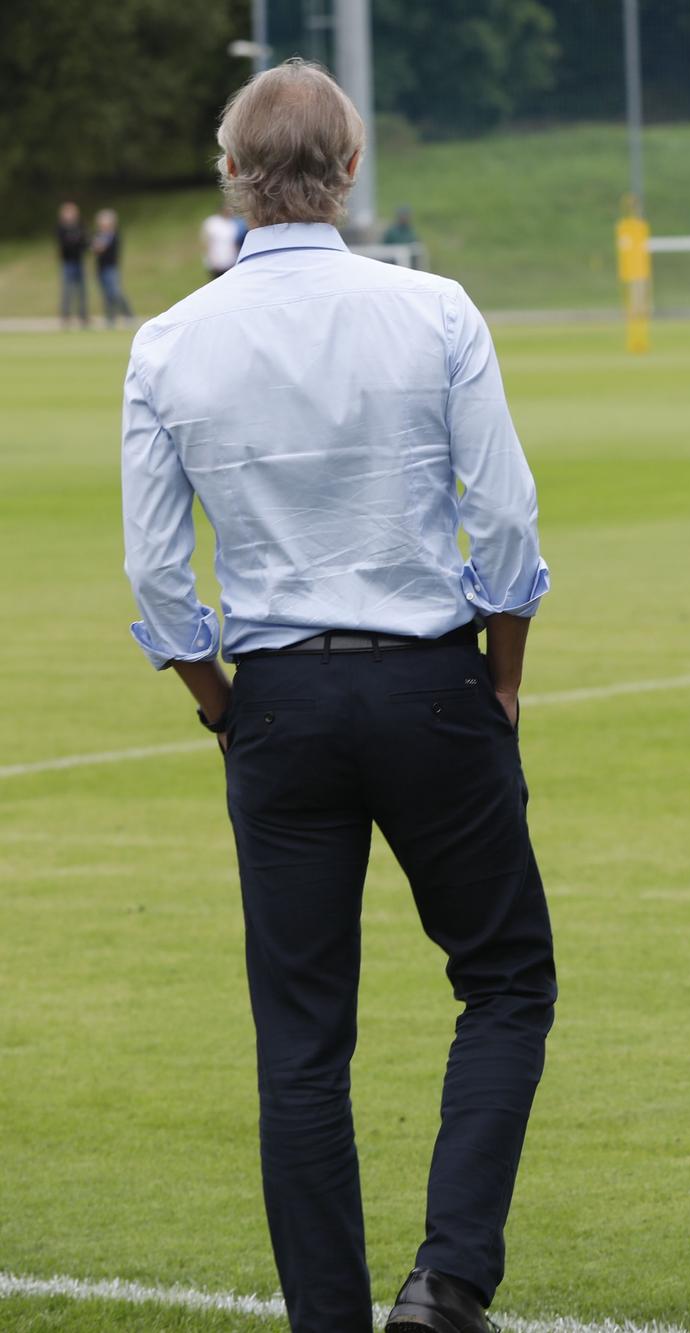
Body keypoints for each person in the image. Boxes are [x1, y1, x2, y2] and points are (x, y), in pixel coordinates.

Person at [120, 58, 554, 1333]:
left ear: (230, 177)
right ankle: (449, 1276)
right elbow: (509, 527)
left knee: (302, 1032)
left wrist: (218, 700)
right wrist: (503, 680)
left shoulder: (168, 340)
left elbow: (154, 572)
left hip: (277, 701)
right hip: (430, 680)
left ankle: (330, 1316)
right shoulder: (433, 311)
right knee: (504, 978)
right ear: (351, 169)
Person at [93, 209, 135, 325]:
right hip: (100, 268)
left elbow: (109, 250)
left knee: (116, 293)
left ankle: (128, 315)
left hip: (111, 268)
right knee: (106, 295)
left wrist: (101, 248)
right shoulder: (98, 235)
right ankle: (110, 319)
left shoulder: (115, 235)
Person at [56, 201, 89, 328]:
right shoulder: (61, 228)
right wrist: (74, 240)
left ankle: (83, 316)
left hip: (79, 261)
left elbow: (84, 242)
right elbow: (64, 244)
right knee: (67, 291)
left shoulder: (80, 226)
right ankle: (66, 317)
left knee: (81, 291)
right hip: (67, 262)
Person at [201, 200, 241, 279]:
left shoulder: (233, 223)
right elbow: (207, 241)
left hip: (231, 262)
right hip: (217, 262)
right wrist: (213, 260)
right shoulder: (212, 222)